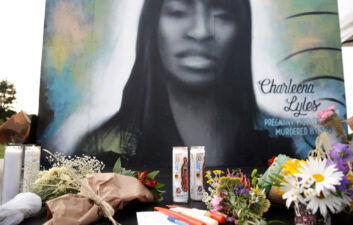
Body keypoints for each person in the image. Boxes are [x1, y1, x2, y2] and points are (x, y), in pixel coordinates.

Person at [75, 0, 293, 168]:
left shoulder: (282, 143)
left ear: (241, 32)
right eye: (178, 12)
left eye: (222, 15)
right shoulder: (102, 145)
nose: (201, 32)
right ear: (152, 26)